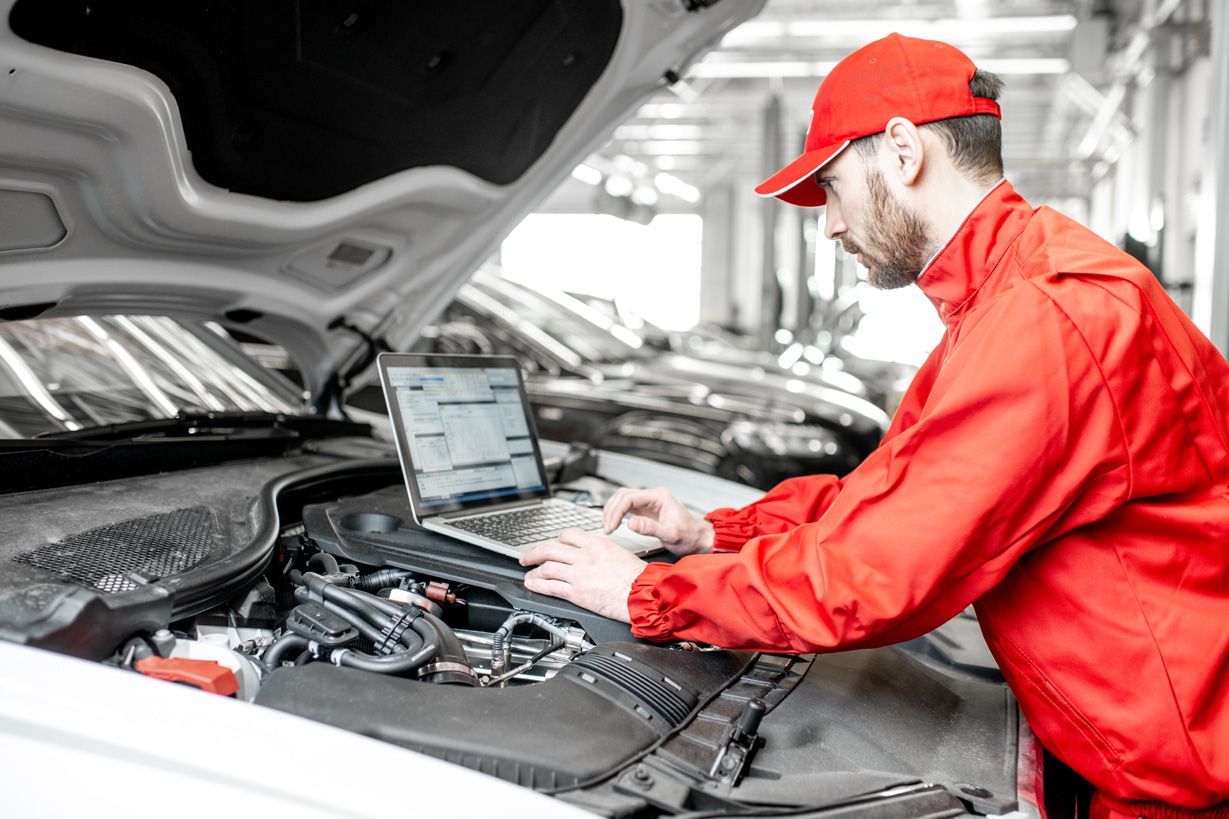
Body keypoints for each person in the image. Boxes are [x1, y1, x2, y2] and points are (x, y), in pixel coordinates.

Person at [520, 32, 1229, 817]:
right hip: (1141, 745)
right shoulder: (1008, 293)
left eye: (831, 187)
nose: (829, 225)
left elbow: (875, 571)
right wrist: (712, 533)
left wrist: (647, 591)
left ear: (901, 150)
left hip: (1177, 782)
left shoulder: (1044, 317)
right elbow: (894, 494)